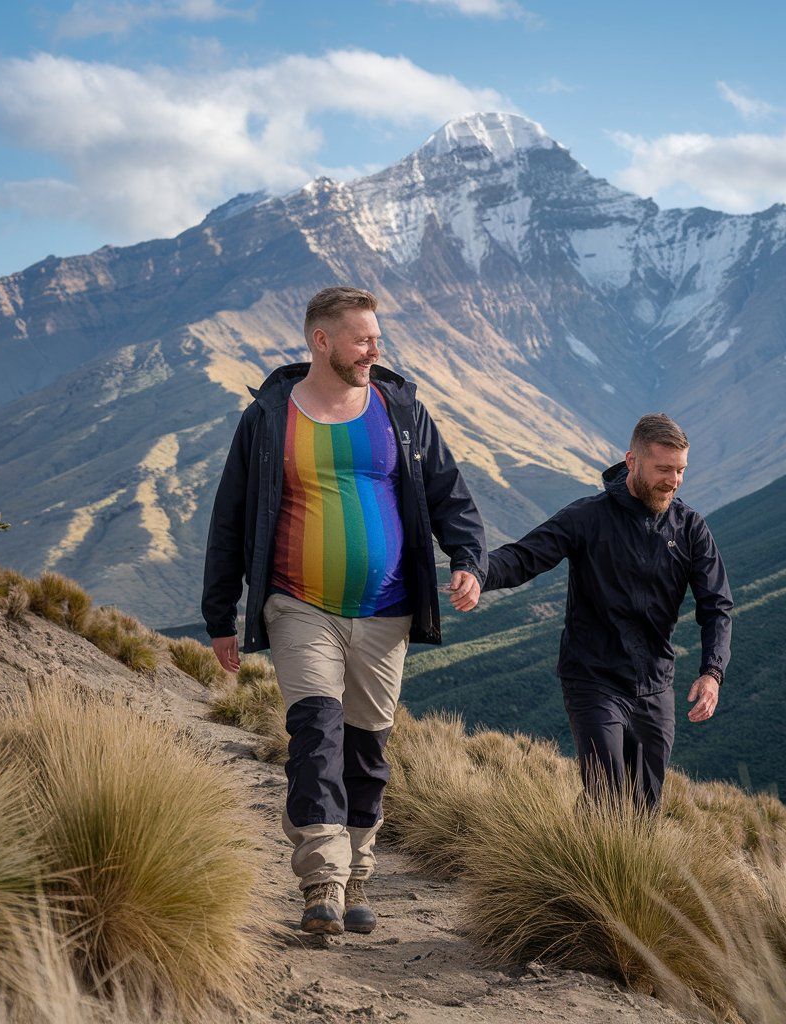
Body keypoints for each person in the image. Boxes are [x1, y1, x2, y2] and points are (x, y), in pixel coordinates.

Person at [201, 286, 486, 935]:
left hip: (388, 612)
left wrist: (468, 559)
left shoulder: (401, 409)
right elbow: (230, 518)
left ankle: (357, 872)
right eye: (361, 338)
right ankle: (321, 885)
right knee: (316, 734)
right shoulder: (270, 418)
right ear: (320, 341)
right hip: (299, 606)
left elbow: (450, 496)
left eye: (376, 338)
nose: (373, 349)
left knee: (366, 750)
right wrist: (220, 615)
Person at [483, 414, 731, 810]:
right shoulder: (588, 516)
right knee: (606, 797)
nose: (674, 480)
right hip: (593, 678)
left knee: (644, 810)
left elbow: (716, 606)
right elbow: (525, 556)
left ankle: (609, 868)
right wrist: (476, 572)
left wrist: (712, 671)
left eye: (681, 470)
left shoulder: (690, 529)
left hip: (655, 685)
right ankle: (576, 870)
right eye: (663, 469)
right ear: (632, 461)